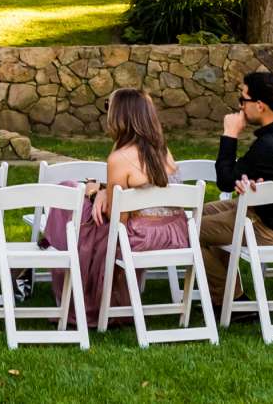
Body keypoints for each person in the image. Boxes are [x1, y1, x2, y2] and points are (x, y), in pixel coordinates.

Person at [40, 87, 186, 312]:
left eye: (109, 107)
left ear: (120, 116)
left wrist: (91, 193)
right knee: (81, 204)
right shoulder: (163, 151)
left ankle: (52, 252)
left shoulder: (119, 158)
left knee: (73, 200)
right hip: (176, 234)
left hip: (139, 238)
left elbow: (119, 220)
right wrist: (104, 191)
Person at [200, 68, 273, 311]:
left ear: (260, 105)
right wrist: (261, 184)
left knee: (188, 230)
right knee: (198, 212)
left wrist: (230, 135)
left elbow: (224, 181)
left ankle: (231, 302)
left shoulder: (269, 144)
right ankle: (229, 296)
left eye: (243, 100)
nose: (240, 106)